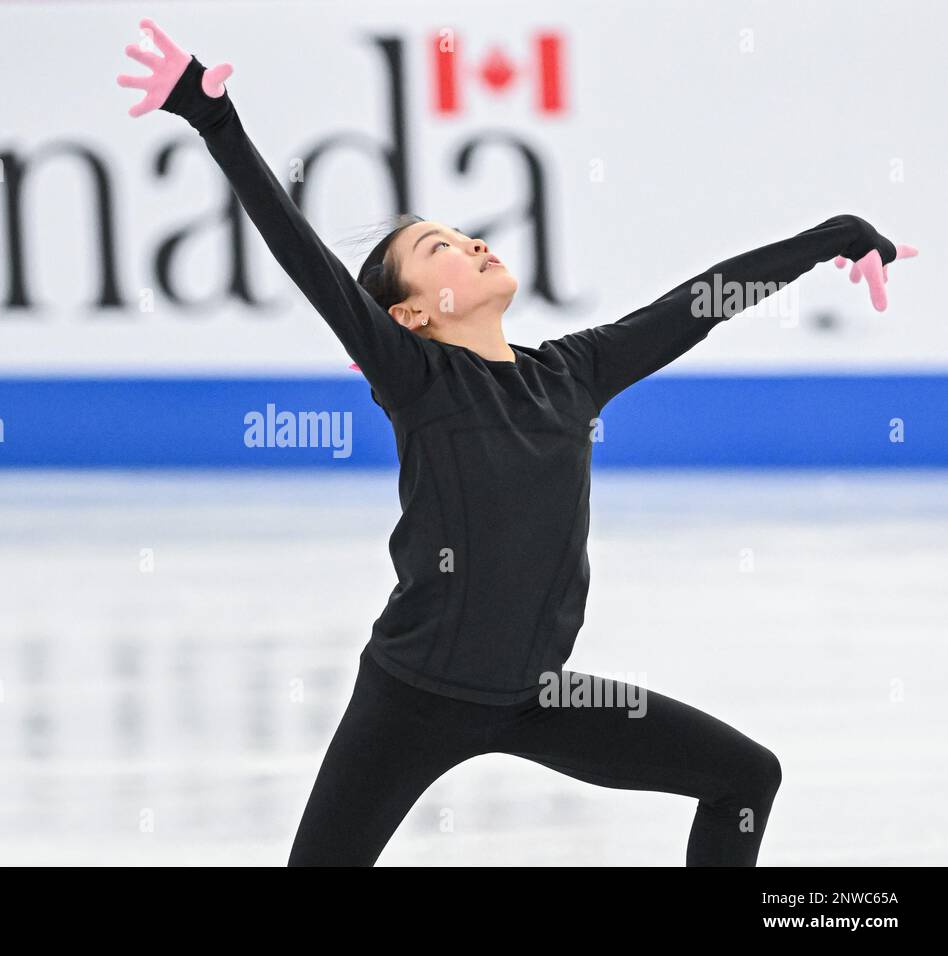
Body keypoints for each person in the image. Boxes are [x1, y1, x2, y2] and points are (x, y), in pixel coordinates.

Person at [117, 18, 917, 866]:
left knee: (746, 778)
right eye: (441, 250)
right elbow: (304, 258)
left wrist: (834, 236)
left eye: (462, 234)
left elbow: (700, 303)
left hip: (542, 696)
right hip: (411, 697)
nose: (472, 243)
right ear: (413, 314)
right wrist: (218, 122)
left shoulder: (573, 372)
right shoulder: (420, 381)